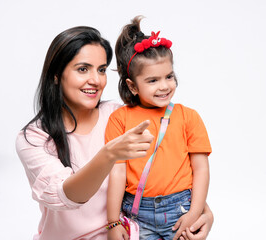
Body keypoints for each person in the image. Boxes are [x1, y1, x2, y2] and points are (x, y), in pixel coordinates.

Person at [15, 26, 213, 240]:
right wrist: (108, 156)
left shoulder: (118, 115)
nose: (96, 80)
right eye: (83, 69)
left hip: (130, 232)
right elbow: (66, 196)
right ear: (56, 75)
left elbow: (164, 170)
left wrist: (203, 212)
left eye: (101, 70)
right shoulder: (34, 138)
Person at [105, 16, 212, 240]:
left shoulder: (189, 117)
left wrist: (195, 212)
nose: (164, 86)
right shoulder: (119, 119)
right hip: (135, 212)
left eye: (169, 76)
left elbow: (201, 169)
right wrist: (113, 221)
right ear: (132, 86)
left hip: (180, 210)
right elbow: (117, 171)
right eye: (152, 80)